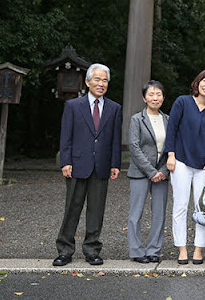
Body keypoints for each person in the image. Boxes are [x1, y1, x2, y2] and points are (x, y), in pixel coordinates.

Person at [53, 63, 122, 267]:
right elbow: (66, 136)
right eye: (97, 79)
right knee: (72, 208)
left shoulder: (114, 108)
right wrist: (65, 161)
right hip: (77, 164)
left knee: (96, 210)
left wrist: (115, 163)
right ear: (88, 81)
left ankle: (92, 249)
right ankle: (65, 250)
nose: (101, 84)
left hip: (101, 165)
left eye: (105, 80)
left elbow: (115, 139)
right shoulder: (73, 106)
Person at [165, 69, 205, 265]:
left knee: (203, 208)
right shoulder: (182, 102)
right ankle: (182, 248)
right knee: (180, 206)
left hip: (203, 166)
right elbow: (171, 129)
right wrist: (171, 155)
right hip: (180, 161)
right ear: (198, 82)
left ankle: (198, 249)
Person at [127, 80, 169, 264]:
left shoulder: (168, 119)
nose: (155, 98)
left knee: (159, 213)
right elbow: (134, 147)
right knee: (136, 213)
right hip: (140, 171)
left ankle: (153, 250)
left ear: (163, 97)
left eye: (158, 94)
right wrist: (151, 171)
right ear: (144, 98)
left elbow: (173, 147)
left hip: (162, 172)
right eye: (151, 94)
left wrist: (164, 170)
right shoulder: (137, 119)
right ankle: (136, 251)